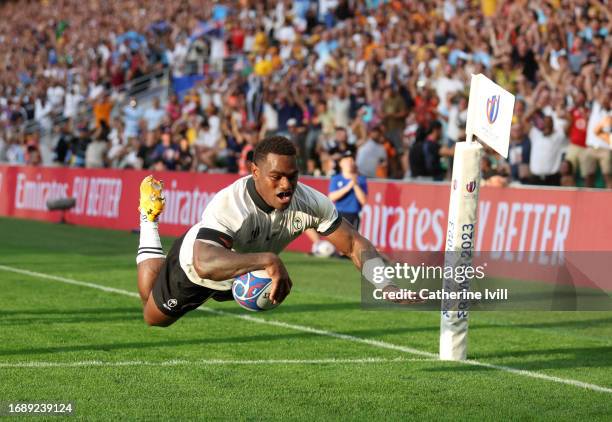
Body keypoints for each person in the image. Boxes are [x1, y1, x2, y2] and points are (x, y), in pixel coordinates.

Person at [135, 136, 419, 327]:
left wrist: (385, 285)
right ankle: (149, 218)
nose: (286, 185)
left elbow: (353, 243)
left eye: (292, 176)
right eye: (276, 177)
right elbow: (204, 262)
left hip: (243, 273)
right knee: (152, 314)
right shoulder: (230, 203)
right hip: (197, 269)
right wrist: (268, 260)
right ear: (255, 172)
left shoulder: (311, 202)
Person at [328, 151, 367, 230]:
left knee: (351, 240)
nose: (349, 163)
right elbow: (331, 197)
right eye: (346, 160)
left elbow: (364, 201)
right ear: (340, 163)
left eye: (351, 160)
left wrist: (355, 184)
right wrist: (348, 187)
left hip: (353, 215)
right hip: (338, 214)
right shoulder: (336, 178)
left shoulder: (361, 179)